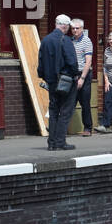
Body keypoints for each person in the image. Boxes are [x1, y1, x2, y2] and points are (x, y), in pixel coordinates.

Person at [37, 14, 79, 150]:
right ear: (65, 26)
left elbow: (41, 63)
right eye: (68, 27)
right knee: (65, 111)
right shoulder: (65, 40)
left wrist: (45, 77)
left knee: (54, 111)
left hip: (51, 81)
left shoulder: (45, 40)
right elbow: (72, 62)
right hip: (66, 81)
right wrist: (76, 75)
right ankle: (61, 142)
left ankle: (51, 143)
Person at [68, 18, 94, 136]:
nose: (74, 30)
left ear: (82, 29)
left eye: (77, 28)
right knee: (69, 102)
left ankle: (88, 128)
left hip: (84, 74)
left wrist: (82, 78)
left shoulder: (87, 42)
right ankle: (62, 128)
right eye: (73, 28)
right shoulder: (70, 41)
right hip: (72, 74)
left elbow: (88, 62)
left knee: (85, 102)